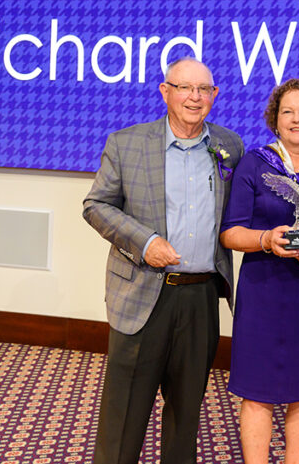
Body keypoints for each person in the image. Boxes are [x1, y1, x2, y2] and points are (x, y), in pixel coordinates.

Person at [82, 57, 244, 464]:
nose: (195, 97)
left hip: (200, 298)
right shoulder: (127, 143)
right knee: (124, 418)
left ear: (215, 96)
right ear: (164, 91)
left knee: (187, 417)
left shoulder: (230, 146)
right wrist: (145, 241)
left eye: (204, 89)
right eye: (184, 87)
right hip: (142, 293)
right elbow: (96, 206)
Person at [219, 79, 299, 464]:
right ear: (275, 120)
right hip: (263, 289)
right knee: (257, 392)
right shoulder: (255, 163)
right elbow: (230, 232)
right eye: (287, 111)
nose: (297, 119)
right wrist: (266, 240)